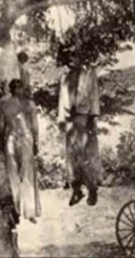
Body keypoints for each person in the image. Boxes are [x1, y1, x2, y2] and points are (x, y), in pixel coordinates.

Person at [57, 50, 101, 207]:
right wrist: (61, 119)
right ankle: (76, 189)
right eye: (68, 58)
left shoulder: (88, 74)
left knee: (84, 155)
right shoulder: (64, 78)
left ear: (79, 58)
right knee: (71, 156)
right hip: (70, 119)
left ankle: (92, 189)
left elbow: (94, 96)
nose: (70, 61)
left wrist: (94, 117)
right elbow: (61, 99)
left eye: (73, 57)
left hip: (84, 116)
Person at [0, 79, 41, 224]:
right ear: (11, 89)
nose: (18, 90)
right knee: (13, 176)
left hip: (26, 139)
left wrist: (35, 142)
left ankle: (29, 211)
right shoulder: (5, 104)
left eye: (20, 87)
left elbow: (35, 126)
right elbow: (2, 125)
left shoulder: (29, 104)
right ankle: (14, 210)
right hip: (11, 138)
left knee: (27, 174)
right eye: (15, 87)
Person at [0, 31, 20, 98]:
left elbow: (4, 70)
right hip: (9, 81)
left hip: (8, 81)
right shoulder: (8, 50)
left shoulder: (7, 51)